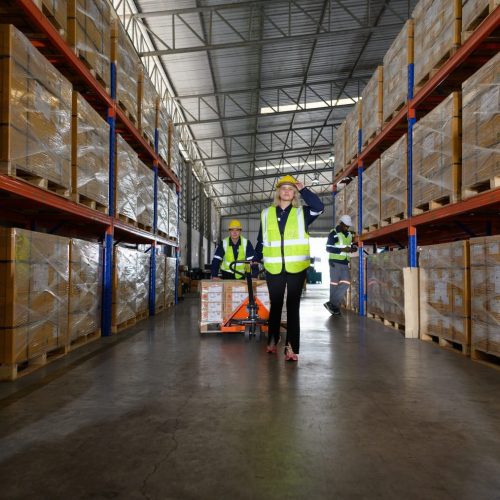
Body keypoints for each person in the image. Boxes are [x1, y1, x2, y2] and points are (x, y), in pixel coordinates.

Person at [254, 175, 324, 362]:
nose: (286, 191)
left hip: (296, 266)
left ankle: (291, 347)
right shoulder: (267, 213)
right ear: (278, 192)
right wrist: (255, 258)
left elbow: (319, 207)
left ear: (294, 193)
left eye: (290, 188)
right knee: (275, 304)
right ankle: (272, 339)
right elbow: (262, 239)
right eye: (283, 188)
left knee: (293, 306)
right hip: (274, 266)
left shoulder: (303, 213)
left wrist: (304, 189)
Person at [324, 214, 356, 316]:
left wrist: (353, 248)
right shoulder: (333, 233)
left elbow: (351, 245)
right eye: (345, 225)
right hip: (335, 261)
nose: (347, 227)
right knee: (334, 284)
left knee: (346, 283)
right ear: (341, 223)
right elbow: (328, 248)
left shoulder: (350, 234)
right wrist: (341, 249)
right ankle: (334, 307)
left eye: (348, 226)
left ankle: (331, 304)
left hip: (345, 262)